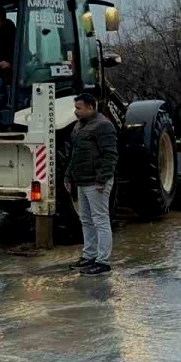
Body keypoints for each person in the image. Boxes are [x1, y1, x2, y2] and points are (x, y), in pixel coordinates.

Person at [64, 93, 118, 276]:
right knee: (86, 220)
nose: (76, 111)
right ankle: (89, 256)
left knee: (100, 220)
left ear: (91, 107)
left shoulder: (103, 126)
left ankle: (103, 261)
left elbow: (111, 155)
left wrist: (102, 180)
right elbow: (75, 154)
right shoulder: (79, 127)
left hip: (96, 182)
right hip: (82, 181)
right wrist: (68, 177)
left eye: (79, 108)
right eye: (76, 107)